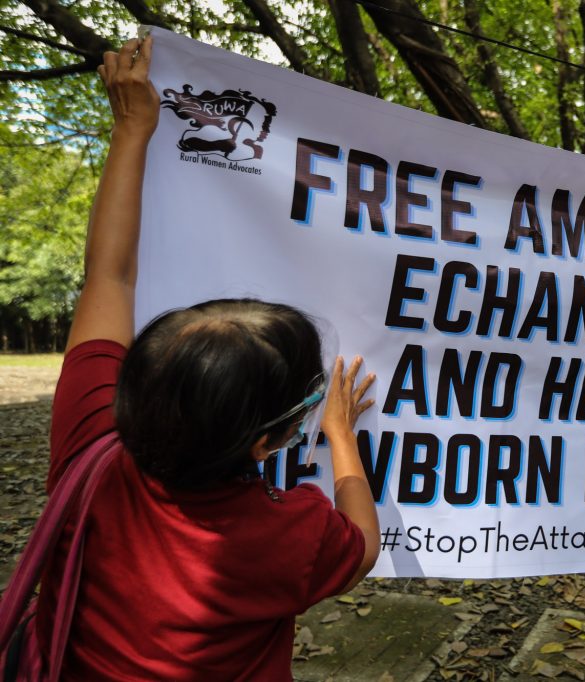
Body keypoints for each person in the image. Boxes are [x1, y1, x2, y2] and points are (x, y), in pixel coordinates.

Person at [35, 38, 380, 680]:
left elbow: (107, 277)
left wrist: (133, 128)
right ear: (265, 443)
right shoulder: (289, 537)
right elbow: (360, 546)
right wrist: (340, 435)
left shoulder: (90, 440)